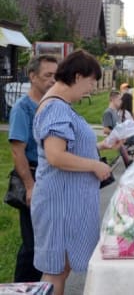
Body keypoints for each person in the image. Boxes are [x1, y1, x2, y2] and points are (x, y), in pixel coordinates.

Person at [31, 50, 121, 295]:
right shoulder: (56, 108)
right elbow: (55, 155)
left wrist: (100, 147)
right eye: (91, 81)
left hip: (66, 201)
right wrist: (94, 165)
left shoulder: (60, 105)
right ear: (78, 76)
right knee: (55, 270)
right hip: (58, 203)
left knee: (62, 267)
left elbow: (68, 145)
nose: (91, 88)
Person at [8, 55, 58, 283]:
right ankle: (22, 287)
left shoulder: (52, 105)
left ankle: (42, 285)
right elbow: (18, 151)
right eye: (47, 75)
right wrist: (30, 186)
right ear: (32, 76)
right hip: (33, 176)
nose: (52, 80)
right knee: (32, 243)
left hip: (50, 178)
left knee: (46, 241)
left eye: (55, 76)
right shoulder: (23, 109)